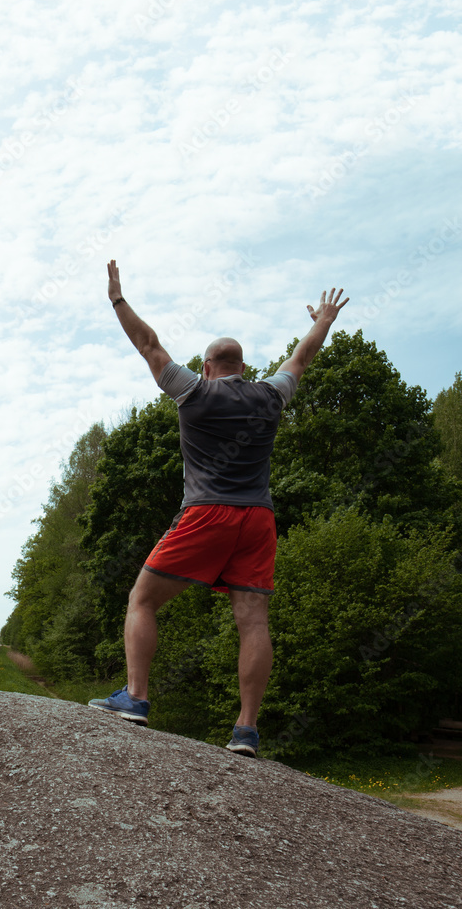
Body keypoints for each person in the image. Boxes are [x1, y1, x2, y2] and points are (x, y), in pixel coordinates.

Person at [88, 259, 348, 757]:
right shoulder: (270, 395)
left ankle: (136, 698)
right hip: (259, 519)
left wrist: (118, 300)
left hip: (206, 512)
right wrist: (323, 321)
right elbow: (301, 358)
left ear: (207, 367)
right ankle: (246, 731)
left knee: (142, 600)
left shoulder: (193, 391)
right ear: (245, 368)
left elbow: (149, 344)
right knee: (253, 622)